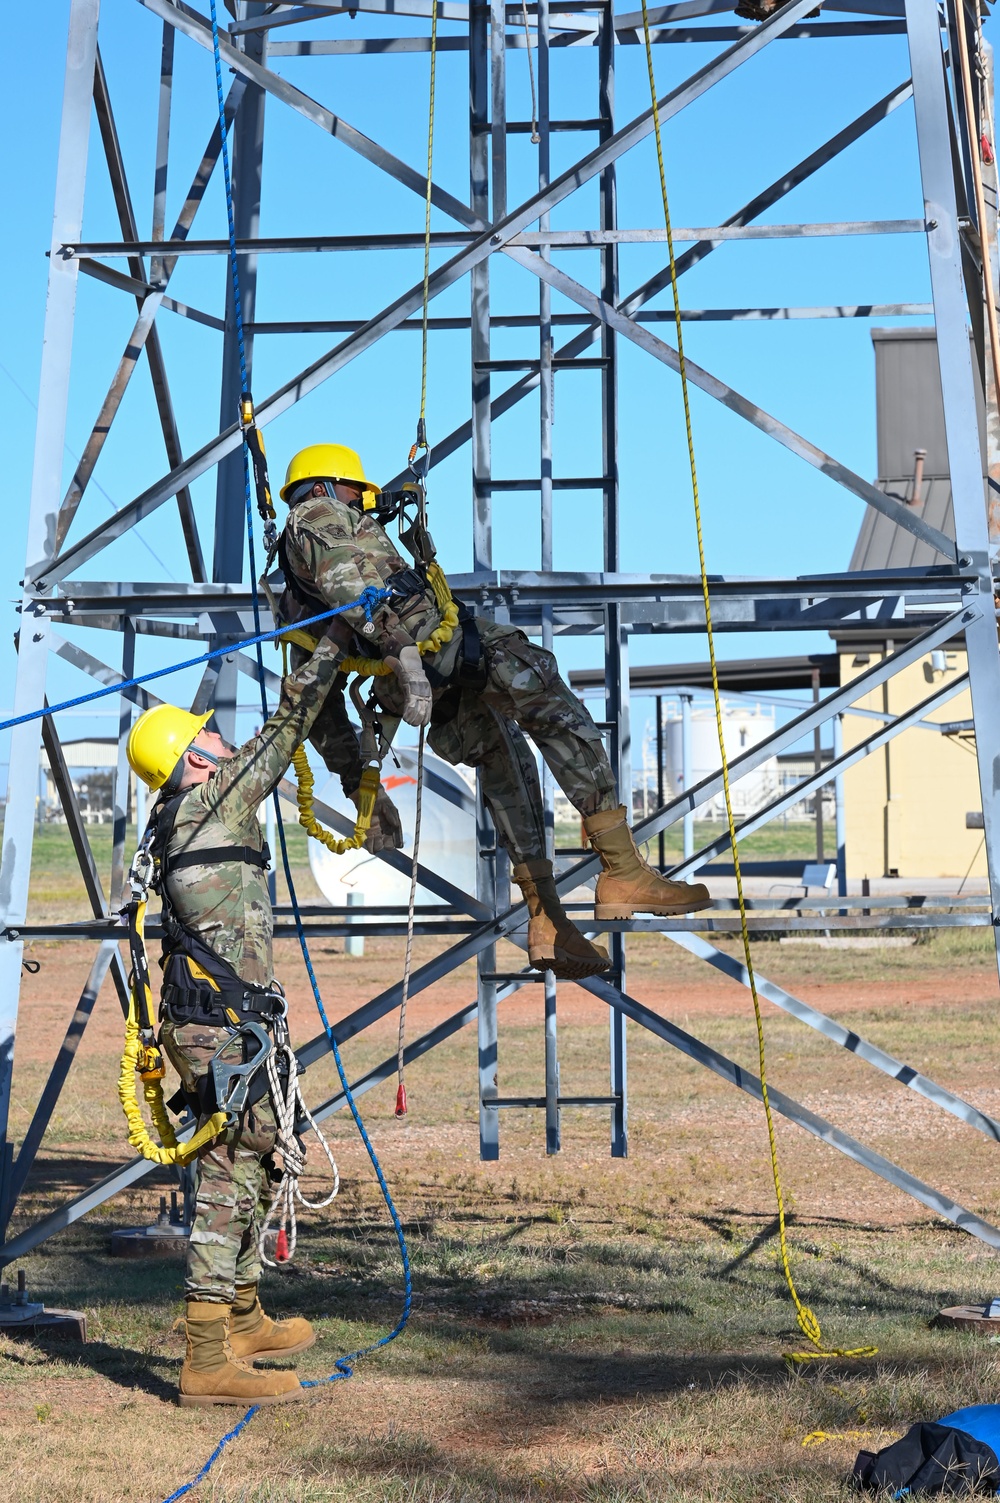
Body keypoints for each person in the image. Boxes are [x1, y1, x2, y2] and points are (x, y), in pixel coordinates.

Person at [270, 443, 712, 980]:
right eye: (355, 496)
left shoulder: (294, 598)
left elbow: (322, 711)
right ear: (322, 487)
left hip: (432, 674)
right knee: (547, 693)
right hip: (433, 652)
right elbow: (351, 580)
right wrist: (400, 651)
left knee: (509, 767)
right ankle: (622, 870)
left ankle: (546, 920)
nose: (362, 508)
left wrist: (362, 787)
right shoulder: (315, 516)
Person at [126, 624, 344, 1407]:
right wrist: (330, 646)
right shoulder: (209, 802)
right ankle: (205, 1357)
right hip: (218, 1025)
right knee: (224, 1171)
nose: (221, 740)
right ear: (192, 759)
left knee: (254, 1149)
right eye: (208, 736)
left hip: (231, 1020)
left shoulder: (180, 815)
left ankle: (244, 1315)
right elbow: (287, 728)